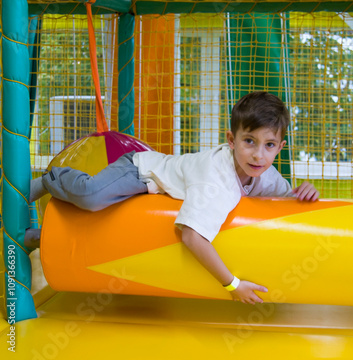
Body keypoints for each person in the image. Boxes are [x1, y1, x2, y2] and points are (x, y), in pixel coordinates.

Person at [29, 91, 319, 304]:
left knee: (110, 234)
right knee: (91, 197)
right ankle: (49, 179)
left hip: (163, 195)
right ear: (231, 140)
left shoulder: (265, 173)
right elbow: (192, 237)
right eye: (249, 142)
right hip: (143, 172)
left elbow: (285, 199)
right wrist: (232, 285)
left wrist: (304, 191)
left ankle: (38, 237)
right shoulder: (216, 179)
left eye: (269, 145)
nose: (258, 155)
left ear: (280, 147)